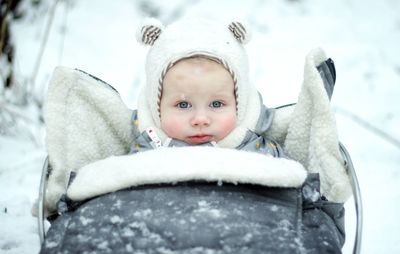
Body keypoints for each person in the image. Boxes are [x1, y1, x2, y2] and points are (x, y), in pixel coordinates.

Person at [129, 17, 284, 158]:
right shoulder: (145, 153)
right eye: (183, 105)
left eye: (216, 104)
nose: (200, 120)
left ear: (239, 105)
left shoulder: (259, 152)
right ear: (157, 108)